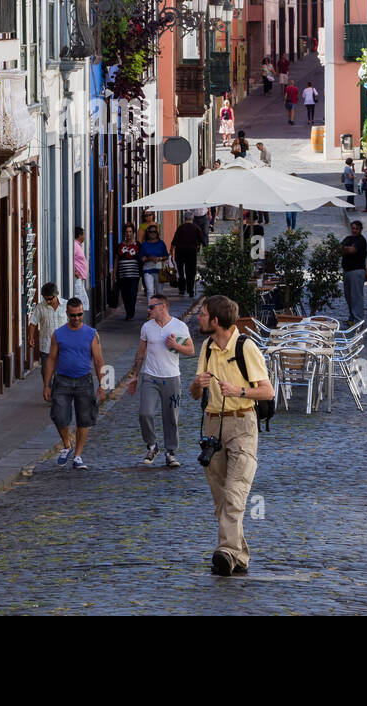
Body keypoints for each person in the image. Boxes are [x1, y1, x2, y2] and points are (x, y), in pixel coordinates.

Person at [190, 294, 274, 575]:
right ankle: (238, 556)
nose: (198, 318)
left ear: (215, 320)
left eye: (203, 314)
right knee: (221, 498)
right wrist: (197, 384)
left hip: (242, 425)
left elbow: (267, 391)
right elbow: (194, 394)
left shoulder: (246, 347)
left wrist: (239, 391)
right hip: (212, 426)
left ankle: (225, 550)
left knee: (235, 492)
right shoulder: (207, 347)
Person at [126, 295, 195, 468]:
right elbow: (140, 353)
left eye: (151, 307)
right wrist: (135, 376)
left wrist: (176, 346)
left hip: (171, 377)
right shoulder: (147, 327)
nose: (148, 310)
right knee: (145, 413)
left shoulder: (179, 326)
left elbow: (191, 350)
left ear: (162, 307)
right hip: (150, 377)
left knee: (170, 416)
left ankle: (170, 452)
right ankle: (152, 445)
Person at [44, 298, 106, 469]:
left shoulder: (92, 333)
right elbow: (51, 359)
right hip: (62, 380)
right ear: (67, 314)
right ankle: (67, 445)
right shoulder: (58, 334)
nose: (77, 318)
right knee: (59, 415)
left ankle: (78, 456)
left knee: (84, 419)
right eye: (73, 315)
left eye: (79, 314)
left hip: (84, 381)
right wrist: (47, 384)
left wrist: (103, 385)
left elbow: (99, 360)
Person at [27, 282, 66, 374]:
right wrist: (31, 337)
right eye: (46, 299)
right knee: (46, 372)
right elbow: (32, 323)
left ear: (56, 295)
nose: (48, 301)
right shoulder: (40, 307)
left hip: (64, 346)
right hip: (46, 347)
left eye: (50, 299)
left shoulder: (66, 305)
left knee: (62, 373)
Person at [341, 220, 367, 324]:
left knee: (356, 297)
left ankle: (358, 320)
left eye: (356, 229)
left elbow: (352, 250)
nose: (354, 230)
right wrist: (346, 249)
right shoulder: (348, 238)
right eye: (353, 228)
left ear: (361, 229)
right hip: (347, 271)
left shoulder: (361, 240)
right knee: (348, 297)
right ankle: (352, 318)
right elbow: (340, 248)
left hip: (357, 271)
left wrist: (346, 249)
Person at [170, 215, 205, 297]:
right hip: (191, 252)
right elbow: (202, 240)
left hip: (180, 251)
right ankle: (190, 290)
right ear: (192, 218)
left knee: (180, 271)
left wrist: (171, 251)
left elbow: (174, 241)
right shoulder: (196, 228)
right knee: (191, 271)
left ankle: (182, 289)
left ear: (184, 218)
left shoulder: (180, 228)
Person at [115, 224, 143, 320]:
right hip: (122, 274)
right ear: (124, 233)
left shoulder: (138, 245)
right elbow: (116, 259)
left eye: (130, 232)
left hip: (134, 274)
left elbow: (141, 258)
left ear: (133, 233)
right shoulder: (119, 245)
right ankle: (128, 311)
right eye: (127, 232)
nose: (128, 234)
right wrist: (114, 273)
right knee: (125, 294)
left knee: (133, 294)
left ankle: (131, 313)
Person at [139, 223, 169, 298]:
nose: (153, 233)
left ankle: (158, 305)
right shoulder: (144, 244)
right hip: (147, 270)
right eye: (151, 232)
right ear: (148, 233)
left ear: (157, 233)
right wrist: (149, 258)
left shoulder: (161, 243)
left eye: (155, 232)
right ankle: (150, 305)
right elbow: (141, 258)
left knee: (159, 292)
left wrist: (159, 258)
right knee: (150, 291)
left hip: (159, 270)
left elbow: (166, 256)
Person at [72, 226, 90, 313]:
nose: (84, 236)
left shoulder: (77, 245)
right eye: (84, 234)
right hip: (77, 279)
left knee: (82, 301)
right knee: (80, 301)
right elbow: (70, 258)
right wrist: (74, 271)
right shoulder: (75, 245)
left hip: (79, 278)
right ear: (79, 235)